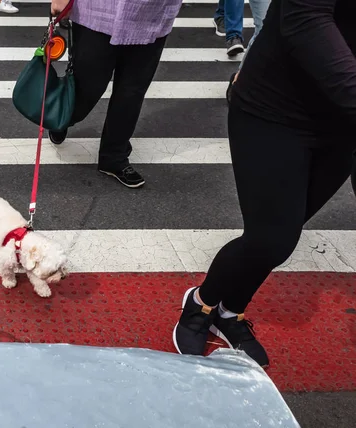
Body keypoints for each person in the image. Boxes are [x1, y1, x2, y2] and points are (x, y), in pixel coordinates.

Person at [173, 0, 356, 368]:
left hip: (341, 125)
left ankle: (230, 312)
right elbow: (306, 18)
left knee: (282, 235)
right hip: (273, 111)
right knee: (271, 237)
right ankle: (201, 303)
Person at [48, 0, 183, 188]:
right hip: (98, 10)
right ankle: (64, 117)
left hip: (153, 12)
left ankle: (114, 156)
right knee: (88, 85)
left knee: (132, 90)